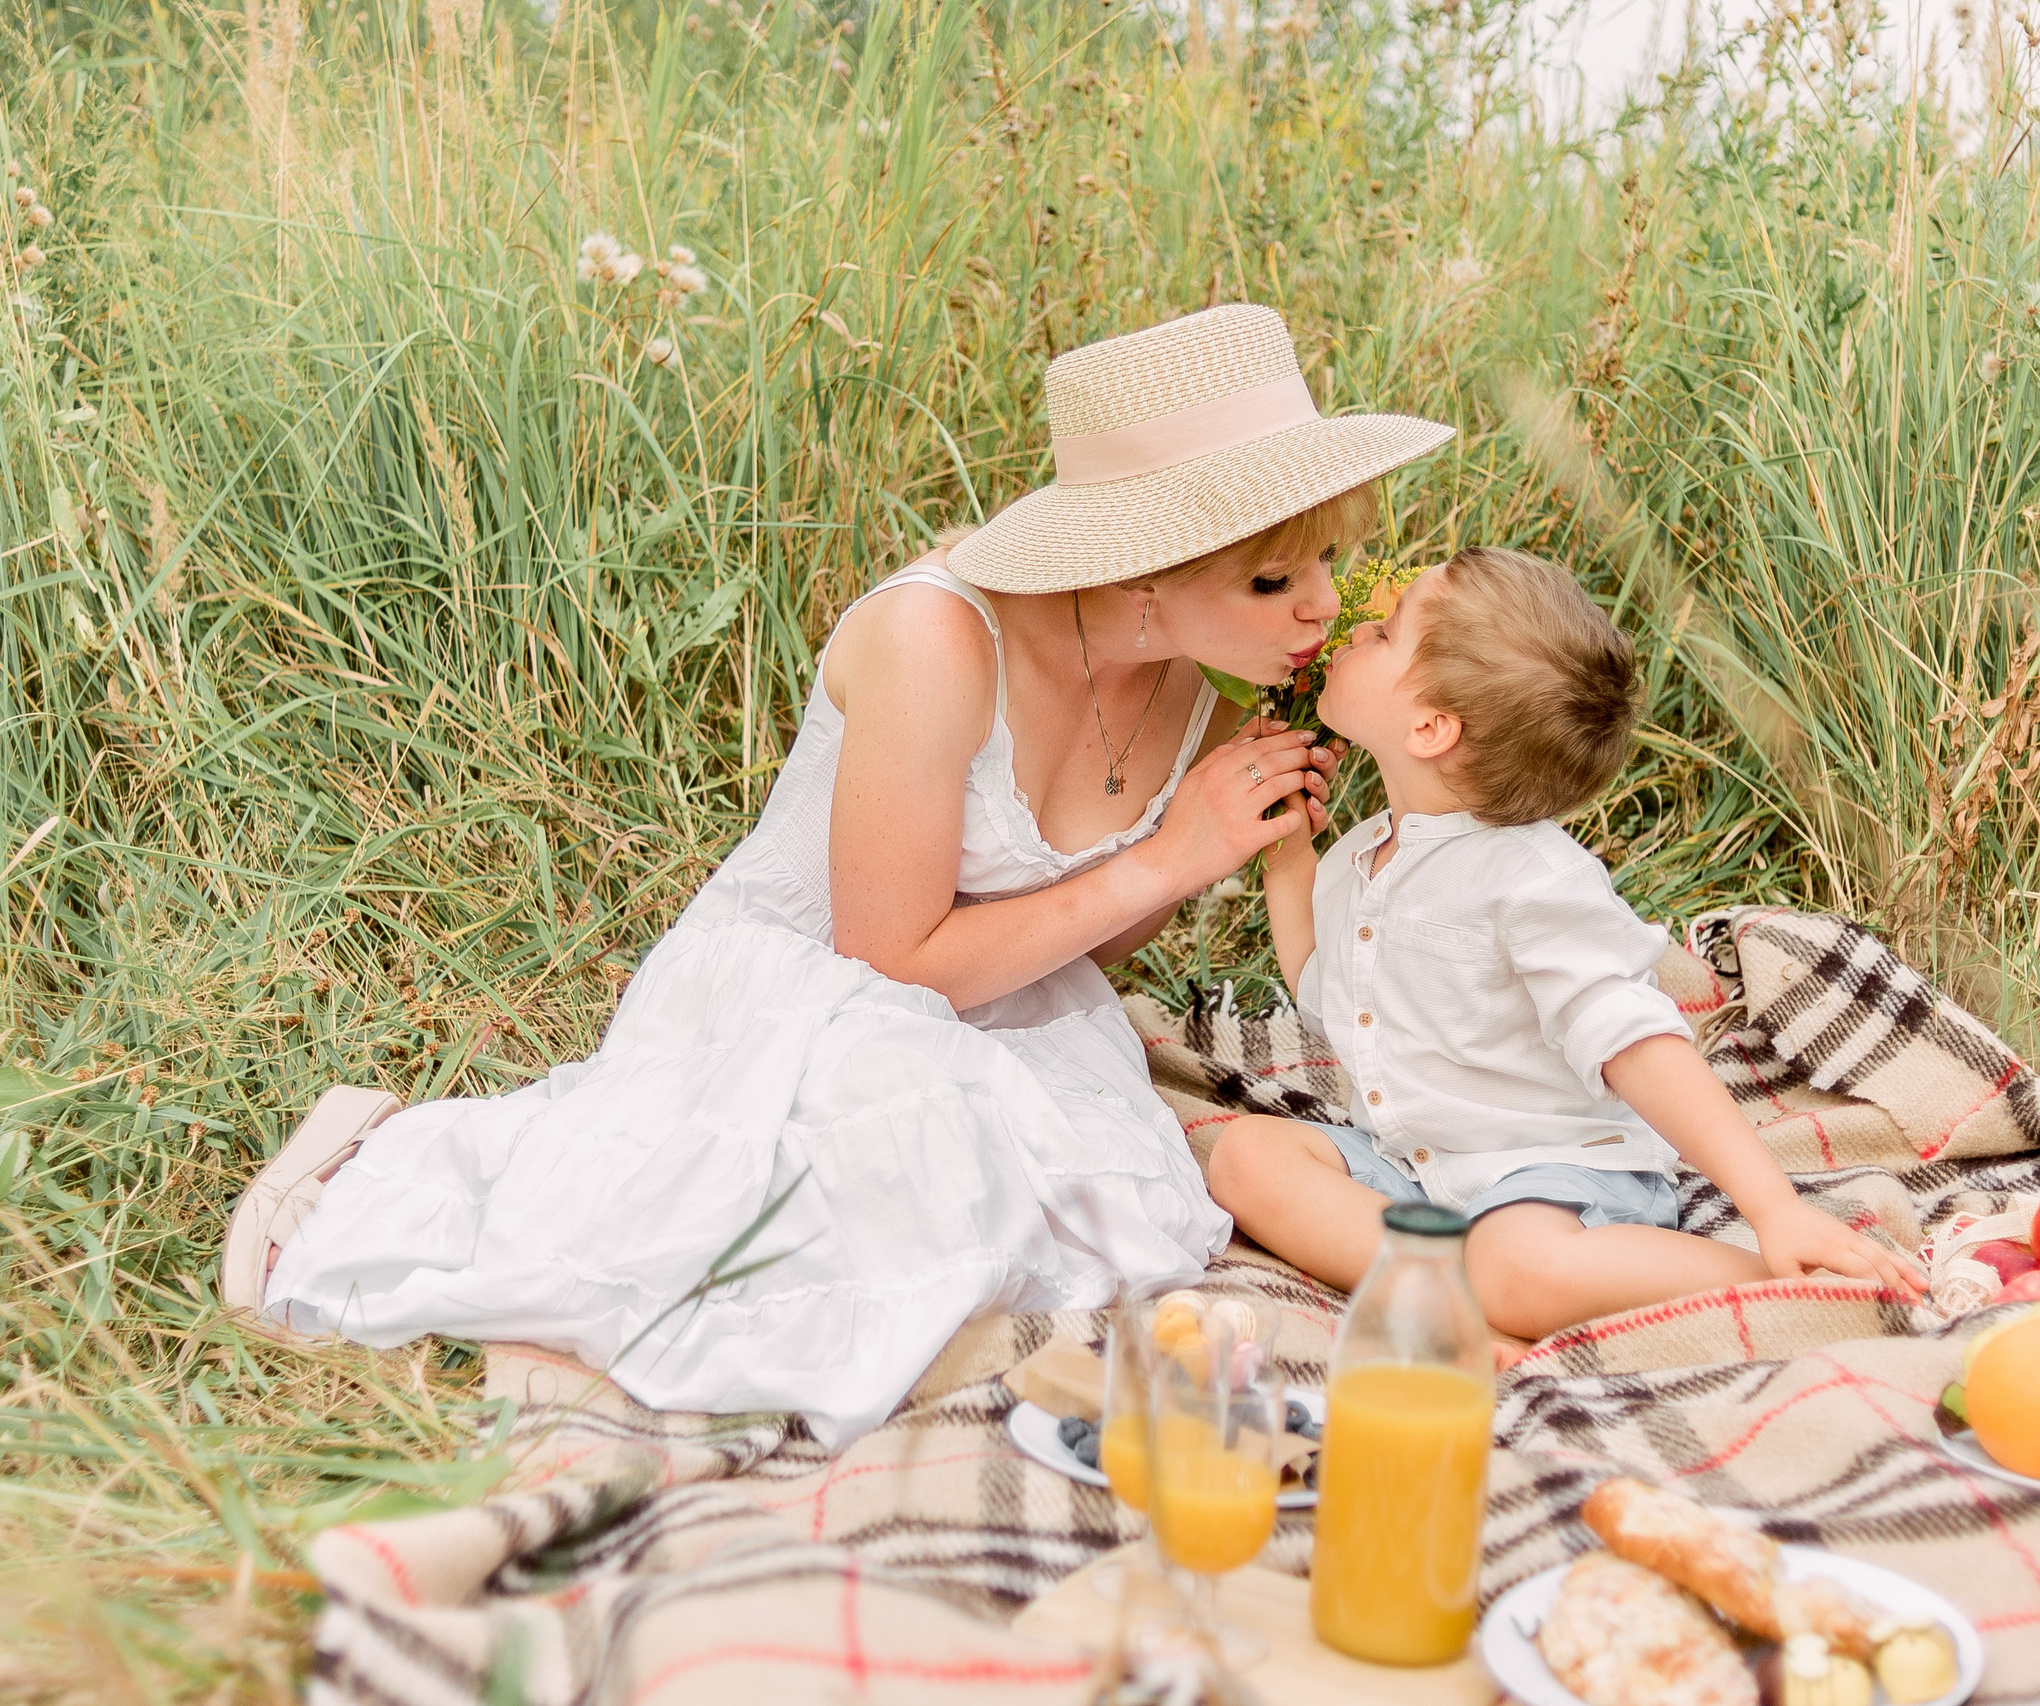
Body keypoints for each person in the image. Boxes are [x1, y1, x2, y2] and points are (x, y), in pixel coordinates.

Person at [220, 304, 1453, 1445]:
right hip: (814, 986)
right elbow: (887, 959)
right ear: (1141, 566)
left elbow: (1081, 943)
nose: (1322, 608)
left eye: (1326, 561)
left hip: (1009, 1002)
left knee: (1064, 1223)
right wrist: (1173, 855)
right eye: (1274, 579)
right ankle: (373, 1158)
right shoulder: (936, 638)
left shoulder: (1211, 676)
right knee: (779, 1230)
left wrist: (1213, 849)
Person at [1206, 547, 1930, 1344]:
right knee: (1245, 1157)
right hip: (1414, 1166)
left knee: (1517, 1268)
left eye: (1383, 634)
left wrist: (1772, 1208)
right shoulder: (1365, 855)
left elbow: (1636, 1041)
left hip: (1549, 1173)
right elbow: (1325, 991)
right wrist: (1288, 856)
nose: (1358, 630)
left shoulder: (1533, 879)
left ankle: (1787, 1282)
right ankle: (1453, 1300)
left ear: (1430, 727)